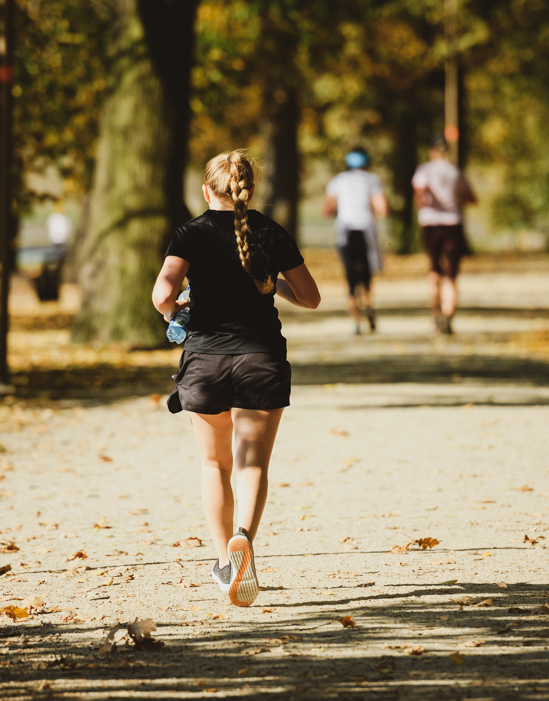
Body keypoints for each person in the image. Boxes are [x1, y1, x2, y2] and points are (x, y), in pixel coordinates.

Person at [151, 150, 321, 607]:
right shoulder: (270, 232)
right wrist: (269, 282)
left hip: (205, 361)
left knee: (214, 465)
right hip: (260, 357)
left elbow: (163, 293)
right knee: (253, 464)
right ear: (250, 188)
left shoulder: (192, 232)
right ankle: (244, 536)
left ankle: (225, 562)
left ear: (207, 191)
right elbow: (311, 298)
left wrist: (176, 310)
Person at [412, 136, 477, 334]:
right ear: (446, 151)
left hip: (430, 224)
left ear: (431, 150)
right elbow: (471, 198)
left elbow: (420, 194)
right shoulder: (455, 171)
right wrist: (453, 198)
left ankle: (436, 317)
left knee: (434, 272)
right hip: (452, 223)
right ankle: (448, 315)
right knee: (451, 274)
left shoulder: (424, 170)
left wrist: (424, 205)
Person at [323, 147, 388, 334]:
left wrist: (336, 212)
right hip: (366, 231)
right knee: (366, 275)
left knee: (350, 277)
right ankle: (368, 307)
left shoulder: (338, 181)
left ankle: (356, 321)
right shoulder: (372, 180)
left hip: (345, 232)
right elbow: (381, 208)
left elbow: (327, 209)